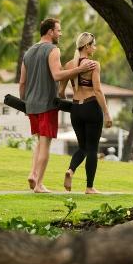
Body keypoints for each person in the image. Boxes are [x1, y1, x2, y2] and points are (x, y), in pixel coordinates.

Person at [19, 18, 97, 193]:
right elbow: (56, 75)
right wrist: (77, 70)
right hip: (47, 103)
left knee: (39, 142)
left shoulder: (28, 52)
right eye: (58, 30)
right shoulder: (53, 50)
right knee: (45, 144)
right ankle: (38, 184)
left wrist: (25, 103)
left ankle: (33, 173)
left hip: (31, 104)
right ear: (50, 32)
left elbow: (22, 83)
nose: (60, 33)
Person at [60, 32, 112, 194]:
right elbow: (97, 90)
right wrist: (107, 113)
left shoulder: (69, 65)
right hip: (91, 107)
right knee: (91, 149)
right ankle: (89, 187)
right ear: (87, 46)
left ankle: (71, 170)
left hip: (76, 109)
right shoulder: (93, 65)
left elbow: (61, 92)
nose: (95, 48)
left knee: (82, 147)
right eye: (94, 45)